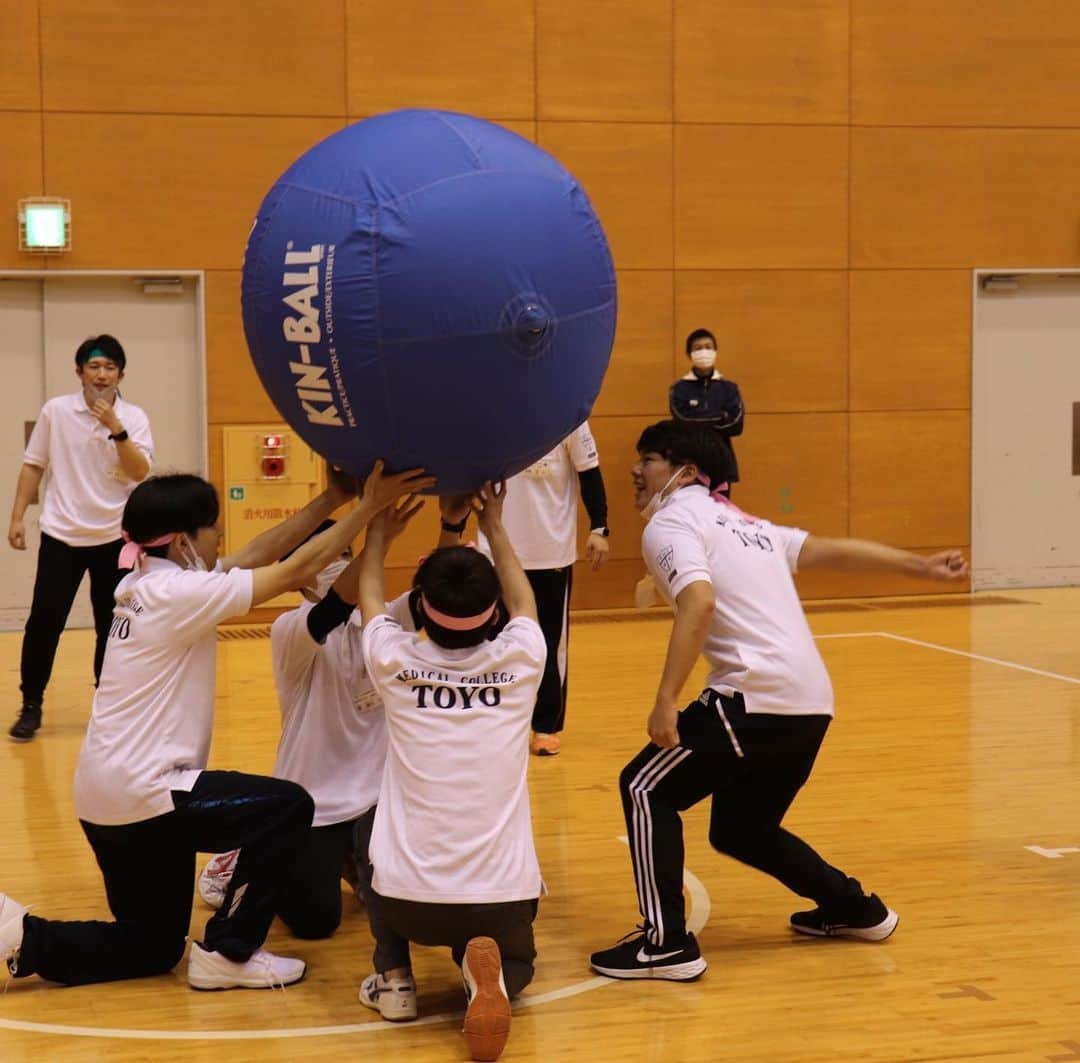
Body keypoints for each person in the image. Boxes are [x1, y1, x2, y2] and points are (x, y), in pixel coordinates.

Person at [0, 460, 430, 992]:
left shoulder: (150, 583)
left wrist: (332, 499)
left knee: (151, 945)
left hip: (103, 798)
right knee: (286, 806)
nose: (222, 536)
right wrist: (370, 511)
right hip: (148, 794)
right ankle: (229, 951)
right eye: (213, 529)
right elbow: (291, 572)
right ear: (183, 540)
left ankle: (20, 934)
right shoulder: (179, 595)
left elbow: (256, 556)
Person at [589, 420, 969, 981]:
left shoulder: (671, 522)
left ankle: (666, 943)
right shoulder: (748, 525)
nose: (633, 471)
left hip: (754, 696)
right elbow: (828, 550)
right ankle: (854, 908)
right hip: (810, 704)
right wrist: (919, 566)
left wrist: (666, 700)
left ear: (684, 472)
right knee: (742, 829)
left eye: (647, 459)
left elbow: (699, 605)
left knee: (645, 786)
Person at [196, 498, 471, 1023]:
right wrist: (378, 542)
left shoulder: (380, 620)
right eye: (328, 558)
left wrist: (452, 524)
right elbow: (331, 610)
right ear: (301, 577)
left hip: (373, 802)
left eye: (347, 555)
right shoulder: (292, 629)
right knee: (316, 922)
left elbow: (438, 591)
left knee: (405, 903)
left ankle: (355, 863)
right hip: (311, 805)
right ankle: (238, 859)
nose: (341, 565)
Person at [358, 481, 546, 1062]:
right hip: (505, 902)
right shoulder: (521, 658)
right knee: (519, 962)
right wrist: (493, 526)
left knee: (370, 819)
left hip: (404, 903)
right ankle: (482, 976)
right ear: (491, 611)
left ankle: (395, 975)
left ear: (421, 603)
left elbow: (369, 597)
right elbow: (526, 603)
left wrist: (377, 531)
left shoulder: (395, 662)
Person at [7, 334, 154, 741]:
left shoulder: (134, 417)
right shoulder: (56, 411)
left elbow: (140, 472)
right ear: (79, 372)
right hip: (61, 535)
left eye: (109, 367)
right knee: (44, 623)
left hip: (114, 538)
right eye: (94, 366)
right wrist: (18, 515)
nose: (102, 374)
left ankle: (107, 709)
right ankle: (32, 704)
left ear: (121, 373)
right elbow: (34, 465)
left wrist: (116, 428)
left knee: (111, 626)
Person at [479, 421, 609, 756]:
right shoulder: (492, 411)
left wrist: (599, 527)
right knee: (492, 642)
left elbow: (590, 473)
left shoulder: (570, 417)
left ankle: (546, 725)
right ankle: (497, 722)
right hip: (496, 550)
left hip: (550, 551)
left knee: (550, 643)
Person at [668, 328, 743, 497]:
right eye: (698, 348)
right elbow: (682, 422)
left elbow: (736, 425)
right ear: (689, 354)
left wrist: (698, 418)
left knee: (719, 516)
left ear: (715, 351)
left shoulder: (729, 389)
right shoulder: (679, 389)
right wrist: (720, 417)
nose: (704, 351)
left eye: (708, 347)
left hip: (721, 464)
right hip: (690, 463)